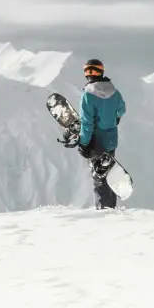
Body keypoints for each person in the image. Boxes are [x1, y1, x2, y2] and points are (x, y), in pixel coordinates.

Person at [65, 58, 126, 209]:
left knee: (99, 177)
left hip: (95, 142)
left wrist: (84, 143)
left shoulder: (88, 95)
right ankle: (110, 208)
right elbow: (122, 110)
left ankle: (103, 211)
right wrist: (114, 118)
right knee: (109, 173)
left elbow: (87, 123)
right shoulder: (115, 92)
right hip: (111, 140)